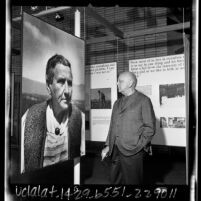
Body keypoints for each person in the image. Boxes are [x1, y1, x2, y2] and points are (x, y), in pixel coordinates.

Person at [21, 54, 85, 173]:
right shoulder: (30, 117)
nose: (67, 91)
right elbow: (23, 168)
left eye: (70, 83)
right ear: (48, 86)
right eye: (61, 82)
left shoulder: (79, 118)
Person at [101, 71, 156, 184]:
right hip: (115, 150)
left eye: (120, 81)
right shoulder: (117, 103)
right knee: (115, 181)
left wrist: (138, 146)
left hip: (133, 151)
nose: (117, 83)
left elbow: (150, 128)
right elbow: (112, 126)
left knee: (133, 182)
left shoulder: (143, 101)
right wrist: (108, 145)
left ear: (130, 83)